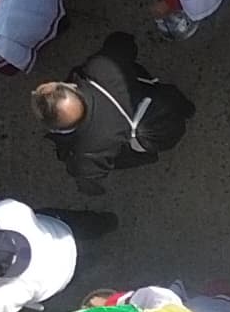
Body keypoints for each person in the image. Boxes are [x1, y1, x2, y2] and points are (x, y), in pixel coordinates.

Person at [36, 34, 192, 194]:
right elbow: (123, 44)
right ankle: (188, 110)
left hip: (144, 138)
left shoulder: (86, 152)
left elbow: (88, 179)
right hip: (159, 100)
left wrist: (92, 190)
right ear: (73, 88)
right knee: (174, 100)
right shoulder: (101, 66)